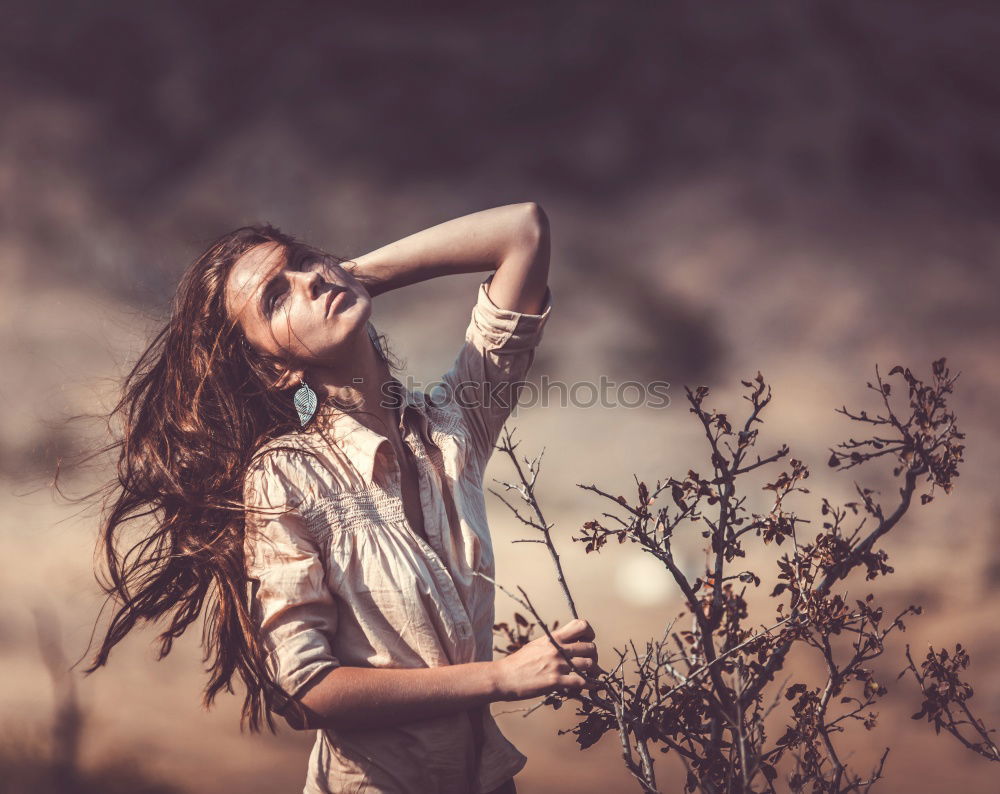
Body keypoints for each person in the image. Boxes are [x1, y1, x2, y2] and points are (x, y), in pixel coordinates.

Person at [82, 202, 600, 793]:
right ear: (274, 371)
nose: (309, 281)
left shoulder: (455, 427)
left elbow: (523, 230)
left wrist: (348, 276)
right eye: (276, 298)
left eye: (305, 262)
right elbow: (309, 691)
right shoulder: (284, 477)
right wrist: (500, 678)